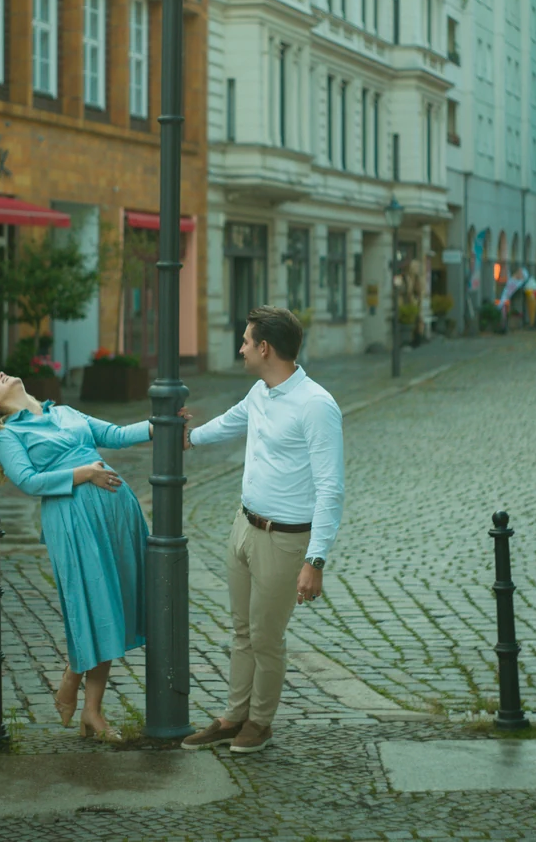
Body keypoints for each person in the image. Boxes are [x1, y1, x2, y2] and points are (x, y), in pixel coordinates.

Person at [181, 306, 344, 755]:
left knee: (266, 638)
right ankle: (234, 717)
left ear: (265, 348)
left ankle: (260, 722)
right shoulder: (260, 392)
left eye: (246, 340)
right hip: (244, 528)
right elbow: (230, 422)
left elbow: (331, 488)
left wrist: (315, 559)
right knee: (241, 632)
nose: (241, 348)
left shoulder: (316, 405)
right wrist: (189, 437)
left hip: (286, 540)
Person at [0, 371, 153, 742]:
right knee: (93, 605)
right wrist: (85, 473)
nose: (2, 375)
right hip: (72, 519)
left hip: (116, 513)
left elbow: (115, 436)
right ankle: (88, 704)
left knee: (114, 604)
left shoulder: (66, 412)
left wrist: (160, 424)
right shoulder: (9, 435)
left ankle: (87, 705)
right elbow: (30, 481)